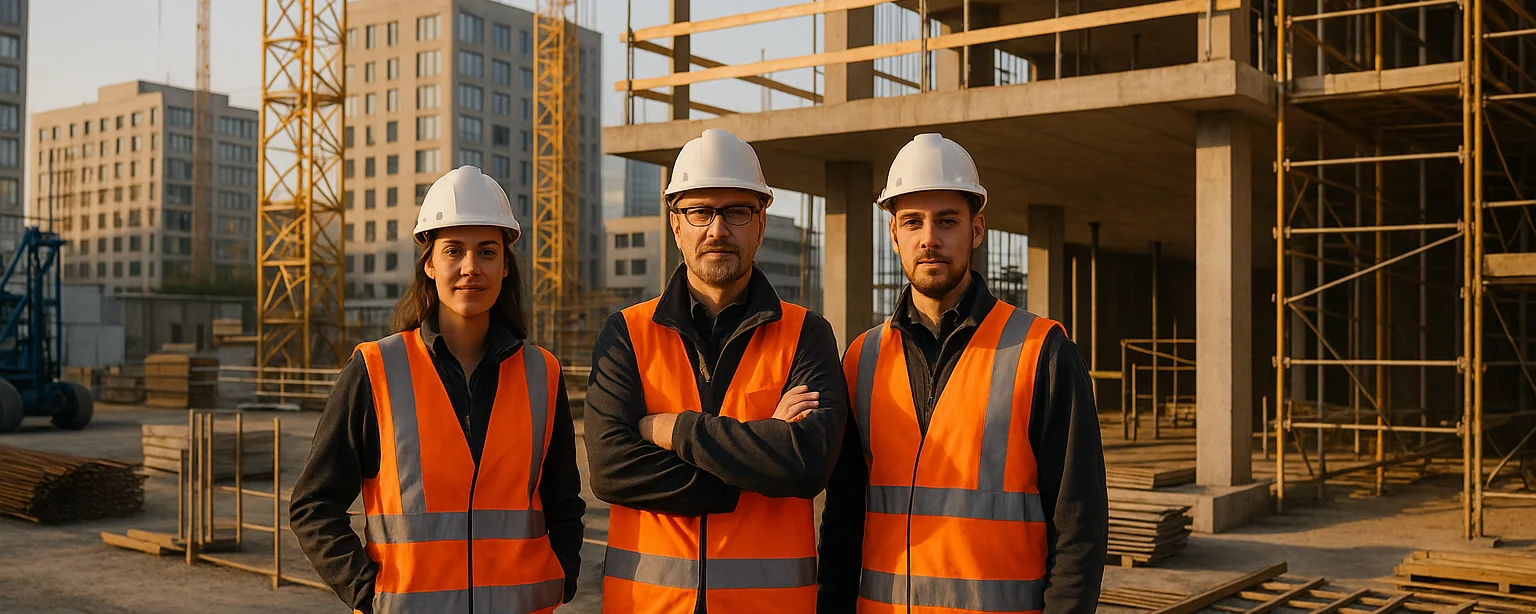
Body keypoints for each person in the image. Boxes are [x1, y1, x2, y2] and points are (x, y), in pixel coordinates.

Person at [817, 134, 1107, 614]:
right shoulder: (861, 359)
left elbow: (1079, 524)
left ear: (976, 230)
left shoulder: (1042, 353)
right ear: (893, 235)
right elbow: (843, 521)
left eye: (947, 221)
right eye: (913, 222)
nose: (930, 238)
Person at [290, 166, 586, 614]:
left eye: (487, 251)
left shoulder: (541, 373)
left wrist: (560, 578)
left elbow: (563, 501)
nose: (471, 267)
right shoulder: (375, 370)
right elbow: (313, 504)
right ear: (429, 264)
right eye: (454, 251)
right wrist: (368, 593)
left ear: (506, 266)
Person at [585, 129, 847, 614]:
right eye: (700, 212)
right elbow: (611, 470)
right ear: (676, 224)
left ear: (761, 222)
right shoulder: (626, 333)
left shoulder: (806, 333)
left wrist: (670, 428)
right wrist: (761, 451)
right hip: (649, 606)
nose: (717, 230)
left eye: (736, 212)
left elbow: (807, 464)